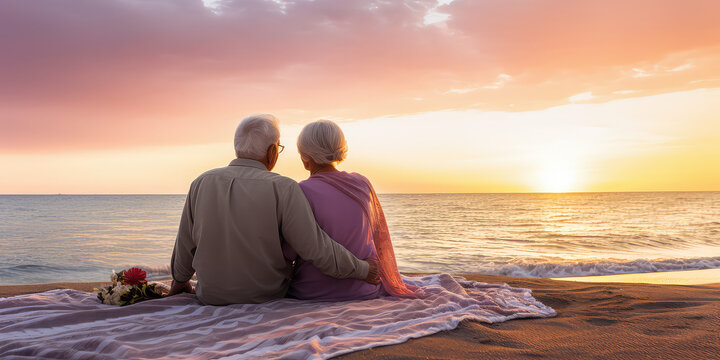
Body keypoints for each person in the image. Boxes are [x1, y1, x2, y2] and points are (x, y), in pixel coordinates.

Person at [168, 114, 380, 305]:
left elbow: (185, 244)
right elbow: (316, 248)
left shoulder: (201, 182)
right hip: (267, 298)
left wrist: (179, 283)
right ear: (271, 152)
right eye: (278, 148)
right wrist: (364, 270)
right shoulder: (283, 187)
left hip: (210, 297)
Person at [283, 120, 418, 301]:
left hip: (312, 293)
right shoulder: (362, 183)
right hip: (365, 290)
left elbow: (289, 251)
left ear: (305, 157)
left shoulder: (301, 191)